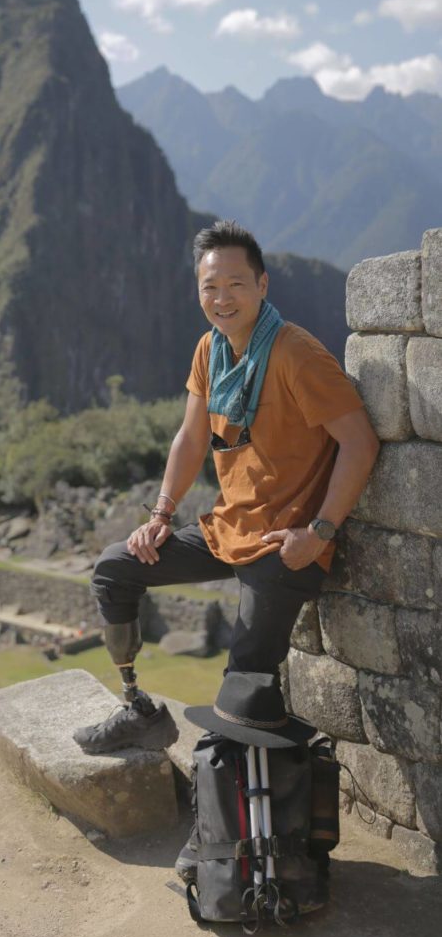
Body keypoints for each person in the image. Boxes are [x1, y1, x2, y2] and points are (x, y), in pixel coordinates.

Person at [73, 220, 380, 755]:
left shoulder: (295, 354)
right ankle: (137, 708)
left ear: (263, 286)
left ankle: (243, 817)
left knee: (243, 685)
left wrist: (319, 532)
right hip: (227, 528)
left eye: (236, 284)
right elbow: (191, 438)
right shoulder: (210, 351)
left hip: (284, 545)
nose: (222, 298)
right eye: (210, 287)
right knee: (113, 568)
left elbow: (359, 442)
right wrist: (161, 516)